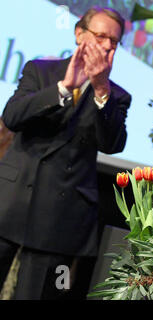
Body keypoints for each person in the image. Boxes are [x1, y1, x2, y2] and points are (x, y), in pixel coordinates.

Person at [0, 7, 131, 299]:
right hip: (10, 201)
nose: (108, 45)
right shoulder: (40, 71)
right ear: (79, 34)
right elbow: (12, 116)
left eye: (115, 41)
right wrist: (64, 88)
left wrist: (100, 89)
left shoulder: (116, 96)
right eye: (102, 36)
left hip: (60, 218)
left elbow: (112, 144)